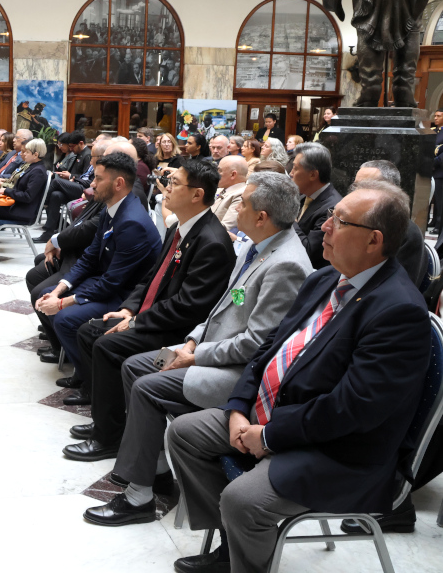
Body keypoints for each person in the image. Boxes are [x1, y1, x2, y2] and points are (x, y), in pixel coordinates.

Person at [167, 181, 430, 573]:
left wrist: (270, 436)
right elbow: (268, 348)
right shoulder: (325, 278)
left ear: (373, 241)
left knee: (244, 500)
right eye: (329, 216)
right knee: (183, 434)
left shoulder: (398, 311)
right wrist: (239, 407)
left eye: (339, 221)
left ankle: (247, 551)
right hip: (279, 412)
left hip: (340, 450)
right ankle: (233, 545)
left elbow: (352, 409)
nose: (323, 226)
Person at [82, 172, 312, 527]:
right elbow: (222, 307)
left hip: (235, 374)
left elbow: (257, 344)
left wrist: (196, 355)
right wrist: (192, 339)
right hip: (204, 350)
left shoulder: (286, 265)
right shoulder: (256, 246)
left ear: (262, 216)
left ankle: (138, 495)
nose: (236, 207)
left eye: (242, 203)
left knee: (147, 386)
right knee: (136, 365)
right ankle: (155, 464)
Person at [61, 160, 235, 446]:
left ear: (197, 194)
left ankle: (109, 437)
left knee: (106, 345)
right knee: (88, 331)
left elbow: (187, 306)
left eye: (175, 183)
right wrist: (129, 308)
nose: (166, 188)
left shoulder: (211, 241)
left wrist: (138, 321)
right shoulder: (182, 227)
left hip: (177, 332)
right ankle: (107, 417)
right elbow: (152, 277)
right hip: (152, 316)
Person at [35, 153, 162, 376]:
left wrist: (63, 303)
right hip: (106, 283)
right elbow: (90, 257)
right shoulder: (111, 208)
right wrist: (58, 291)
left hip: (125, 295)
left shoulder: (132, 222)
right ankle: (78, 362)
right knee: (46, 293)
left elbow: (112, 283)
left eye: (98, 179)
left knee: (64, 318)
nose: (92, 184)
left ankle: (89, 380)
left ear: (118, 183)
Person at [354, 160, 427, 288]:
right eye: (355, 187)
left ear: (390, 191)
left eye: (365, 187)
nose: (355, 193)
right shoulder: (351, 220)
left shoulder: (406, 233)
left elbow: (397, 288)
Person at [34, 131, 96, 243]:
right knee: (55, 195)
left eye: (72, 146)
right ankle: (49, 232)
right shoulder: (79, 154)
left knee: (56, 183)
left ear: (80, 143)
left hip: (83, 189)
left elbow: (88, 179)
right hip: (74, 185)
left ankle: (43, 204)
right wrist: (70, 176)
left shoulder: (88, 155)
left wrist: (72, 176)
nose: (71, 149)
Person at [290, 142, 342, 269]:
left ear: (313, 175)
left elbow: (309, 251)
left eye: (296, 168)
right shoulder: (304, 195)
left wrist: (288, 216)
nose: (291, 173)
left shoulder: (332, 208)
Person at [212, 156, 248, 233]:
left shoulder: (242, 194)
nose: (216, 174)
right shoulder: (220, 189)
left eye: (219, 170)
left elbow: (225, 227)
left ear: (233, 175)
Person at [431, 109, 443, 233]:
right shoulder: (432, 131)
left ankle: (439, 224)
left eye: (438, 116)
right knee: (431, 196)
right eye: (434, 116)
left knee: (439, 199)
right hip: (429, 169)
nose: (435, 118)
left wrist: (436, 162)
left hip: (440, 170)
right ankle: (433, 220)